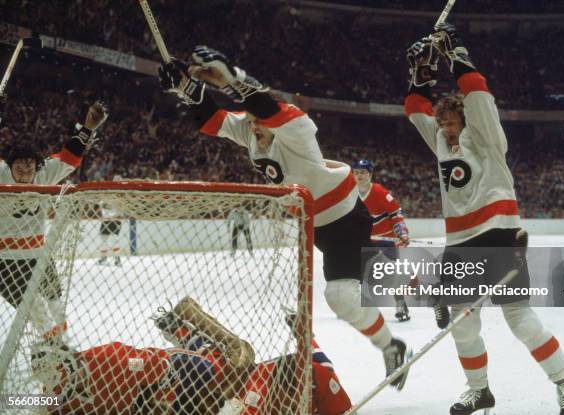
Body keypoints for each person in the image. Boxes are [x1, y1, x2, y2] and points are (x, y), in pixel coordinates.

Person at [156, 46, 411, 389]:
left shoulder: (298, 130)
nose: (253, 128)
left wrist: (232, 79)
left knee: (340, 297)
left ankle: (392, 345)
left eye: (259, 121)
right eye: (251, 122)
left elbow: (266, 107)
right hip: (315, 224)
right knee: (342, 295)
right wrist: (187, 89)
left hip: (346, 219)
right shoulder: (252, 128)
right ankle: (390, 317)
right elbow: (212, 120)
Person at [404, 23, 564, 415]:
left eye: (452, 122)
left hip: (498, 234)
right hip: (459, 244)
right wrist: (420, 74)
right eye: (444, 124)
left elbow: (478, 92)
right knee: (463, 323)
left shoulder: (486, 137)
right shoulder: (441, 144)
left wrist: (456, 56)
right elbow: (417, 111)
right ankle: (479, 390)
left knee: (519, 317)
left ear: (466, 122)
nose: (446, 129)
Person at [32, 297, 351, 415]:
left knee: (229, 357)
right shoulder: (55, 396)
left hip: (197, 379)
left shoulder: (108, 360)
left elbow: (175, 364)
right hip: (204, 383)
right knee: (228, 358)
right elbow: (20, 403)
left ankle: (184, 324)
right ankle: (186, 327)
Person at [0, 101, 108, 339]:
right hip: (5, 260)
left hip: (38, 255)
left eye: (30, 164)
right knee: (35, 309)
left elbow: (70, 157)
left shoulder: (43, 173)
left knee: (56, 305)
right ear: (9, 165)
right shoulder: (1, 172)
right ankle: (54, 350)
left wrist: (89, 126)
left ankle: (64, 347)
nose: (26, 170)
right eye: (19, 164)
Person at [352, 159, 411, 322]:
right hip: (366, 242)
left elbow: (396, 214)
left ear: (370, 175)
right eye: (356, 173)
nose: (359, 176)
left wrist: (402, 232)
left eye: (363, 172)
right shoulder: (350, 193)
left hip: (386, 240)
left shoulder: (379, 191)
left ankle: (400, 304)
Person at [97, 175, 123, 266]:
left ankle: (117, 259)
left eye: (118, 181)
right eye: (115, 180)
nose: (116, 182)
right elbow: (101, 205)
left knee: (113, 238)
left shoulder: (120, 195)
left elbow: (121, 211)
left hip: (114, 220)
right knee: (103, 238)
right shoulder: (108, 192)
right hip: (106, 220)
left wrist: (113, 217)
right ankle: (104, 258)